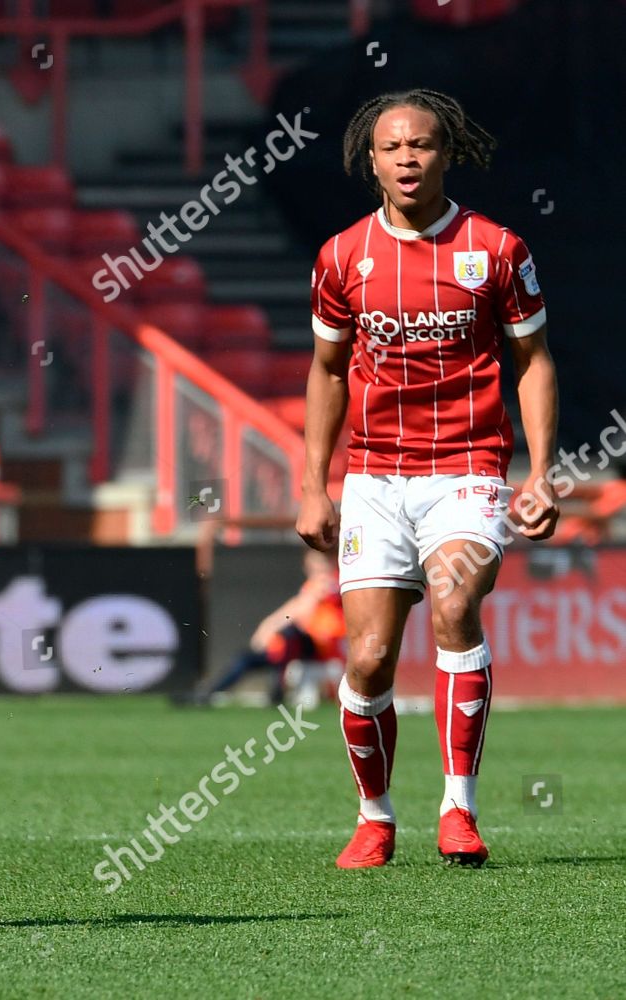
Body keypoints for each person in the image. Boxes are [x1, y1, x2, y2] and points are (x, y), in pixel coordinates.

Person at [299, 89, 558, 869]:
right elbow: (326, 371)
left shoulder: (497, 249)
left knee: (454, 605)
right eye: (392, 147)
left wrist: (542, 471)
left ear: (448, 154)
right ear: (369, 160)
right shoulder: (342, 257)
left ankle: (458, 810)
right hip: (376, 477)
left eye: (423, 145)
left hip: (468, 468)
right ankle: (375, 819)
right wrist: (315, 482)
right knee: (369, 659)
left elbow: (534, 361)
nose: (408, 158)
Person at [196, 548, 344, 705]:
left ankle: (277, 691)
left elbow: (301, 610)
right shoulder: (310, 587)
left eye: (321, 562)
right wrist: (266, 628)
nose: (317, 567)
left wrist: (270, 626)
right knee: (246, 658)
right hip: (295, 649)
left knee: (290, 635)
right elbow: (293, 610)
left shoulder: (335, 584)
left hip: (324, 649)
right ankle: (210, 693)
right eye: (313, 562)